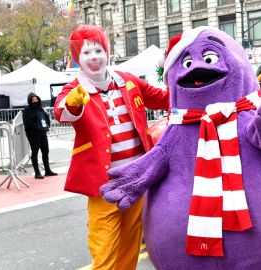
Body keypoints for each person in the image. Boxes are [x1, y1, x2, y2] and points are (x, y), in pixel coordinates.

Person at [54, 24, 169, 270]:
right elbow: (62, 111)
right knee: (104, 251)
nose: (94, 57)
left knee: (130, 246)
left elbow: (162, 98)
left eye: (98, 50)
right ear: (77, 59)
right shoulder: (75, 89)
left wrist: (189, 85)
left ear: (107, 52)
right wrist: (73, 103)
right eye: (86, 53)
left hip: (136, 178)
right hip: (104, 185)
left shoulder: (127, 81)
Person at [22, 93, 58, 179]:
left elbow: (46, 118)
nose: (35, 101)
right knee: (35, 152)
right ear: (30, 101)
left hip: (42, 133)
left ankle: (47, 170)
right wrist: (37, 127)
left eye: (36, 99)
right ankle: (37, 172)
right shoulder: (27, 110)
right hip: (33, 134)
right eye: (33, 100)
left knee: (45, 151)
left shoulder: (40, 109)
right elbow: (27, 123)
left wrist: (47, 126)